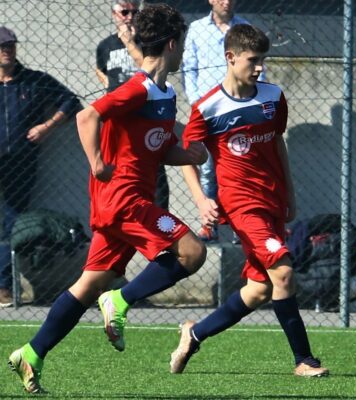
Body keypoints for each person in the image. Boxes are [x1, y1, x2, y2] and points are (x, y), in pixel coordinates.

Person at [8, 4, 208, 393]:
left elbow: (156, 148)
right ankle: (121, 299)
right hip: (125, 200)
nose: (183, 52)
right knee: (192, 252)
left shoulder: (163, 92)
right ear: (172, 44)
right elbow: (87, 117)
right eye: (182, 45)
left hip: (121, 203)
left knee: (87, 285)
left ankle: (31, 354)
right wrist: (97, 161)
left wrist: (188, 154)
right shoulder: (136, 87)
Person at [173, 23, 329, 378]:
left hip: (272, 201)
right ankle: (304, 360)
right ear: (230, 57)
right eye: (253, 60)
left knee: (260, 290)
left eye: (263, 60)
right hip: (241, 206)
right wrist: (201, 200)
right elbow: (187, 156)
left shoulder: (273, 98)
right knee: (284, 272)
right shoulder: (208, 107)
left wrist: (289, 192)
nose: (259, 67)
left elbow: (277, 144)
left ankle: (193, 334)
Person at [0, 26, 81, 307]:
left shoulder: (32, 81)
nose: (7, 50)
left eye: (10, 45)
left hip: (20, 164)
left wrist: (46, 127)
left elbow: (71, 102)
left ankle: (4, 287)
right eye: (2, 46)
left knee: (9, 224)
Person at [182, 0, 265, 243]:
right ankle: (210, 224)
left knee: (242, 167)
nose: (226, 2)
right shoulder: (197, 29)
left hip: (239, 110)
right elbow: (190, 69)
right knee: (208, 169)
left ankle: (242, 224)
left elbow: (259, 66)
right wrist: (198, 103)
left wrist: (254, 103)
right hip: (209, 112)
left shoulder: (245, 28)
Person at [96, 0, 170, 211]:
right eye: (124, 12)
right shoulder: (105, 45)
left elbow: (147, 69)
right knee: (118, 169)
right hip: (118, 120)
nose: (129, 17)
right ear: (114, 14)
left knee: (154, 169)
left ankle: (159, 220)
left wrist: (130, 42)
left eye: (135, 12)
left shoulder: (148, 43)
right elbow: (99, 68)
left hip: (145, 115)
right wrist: (109, 85)